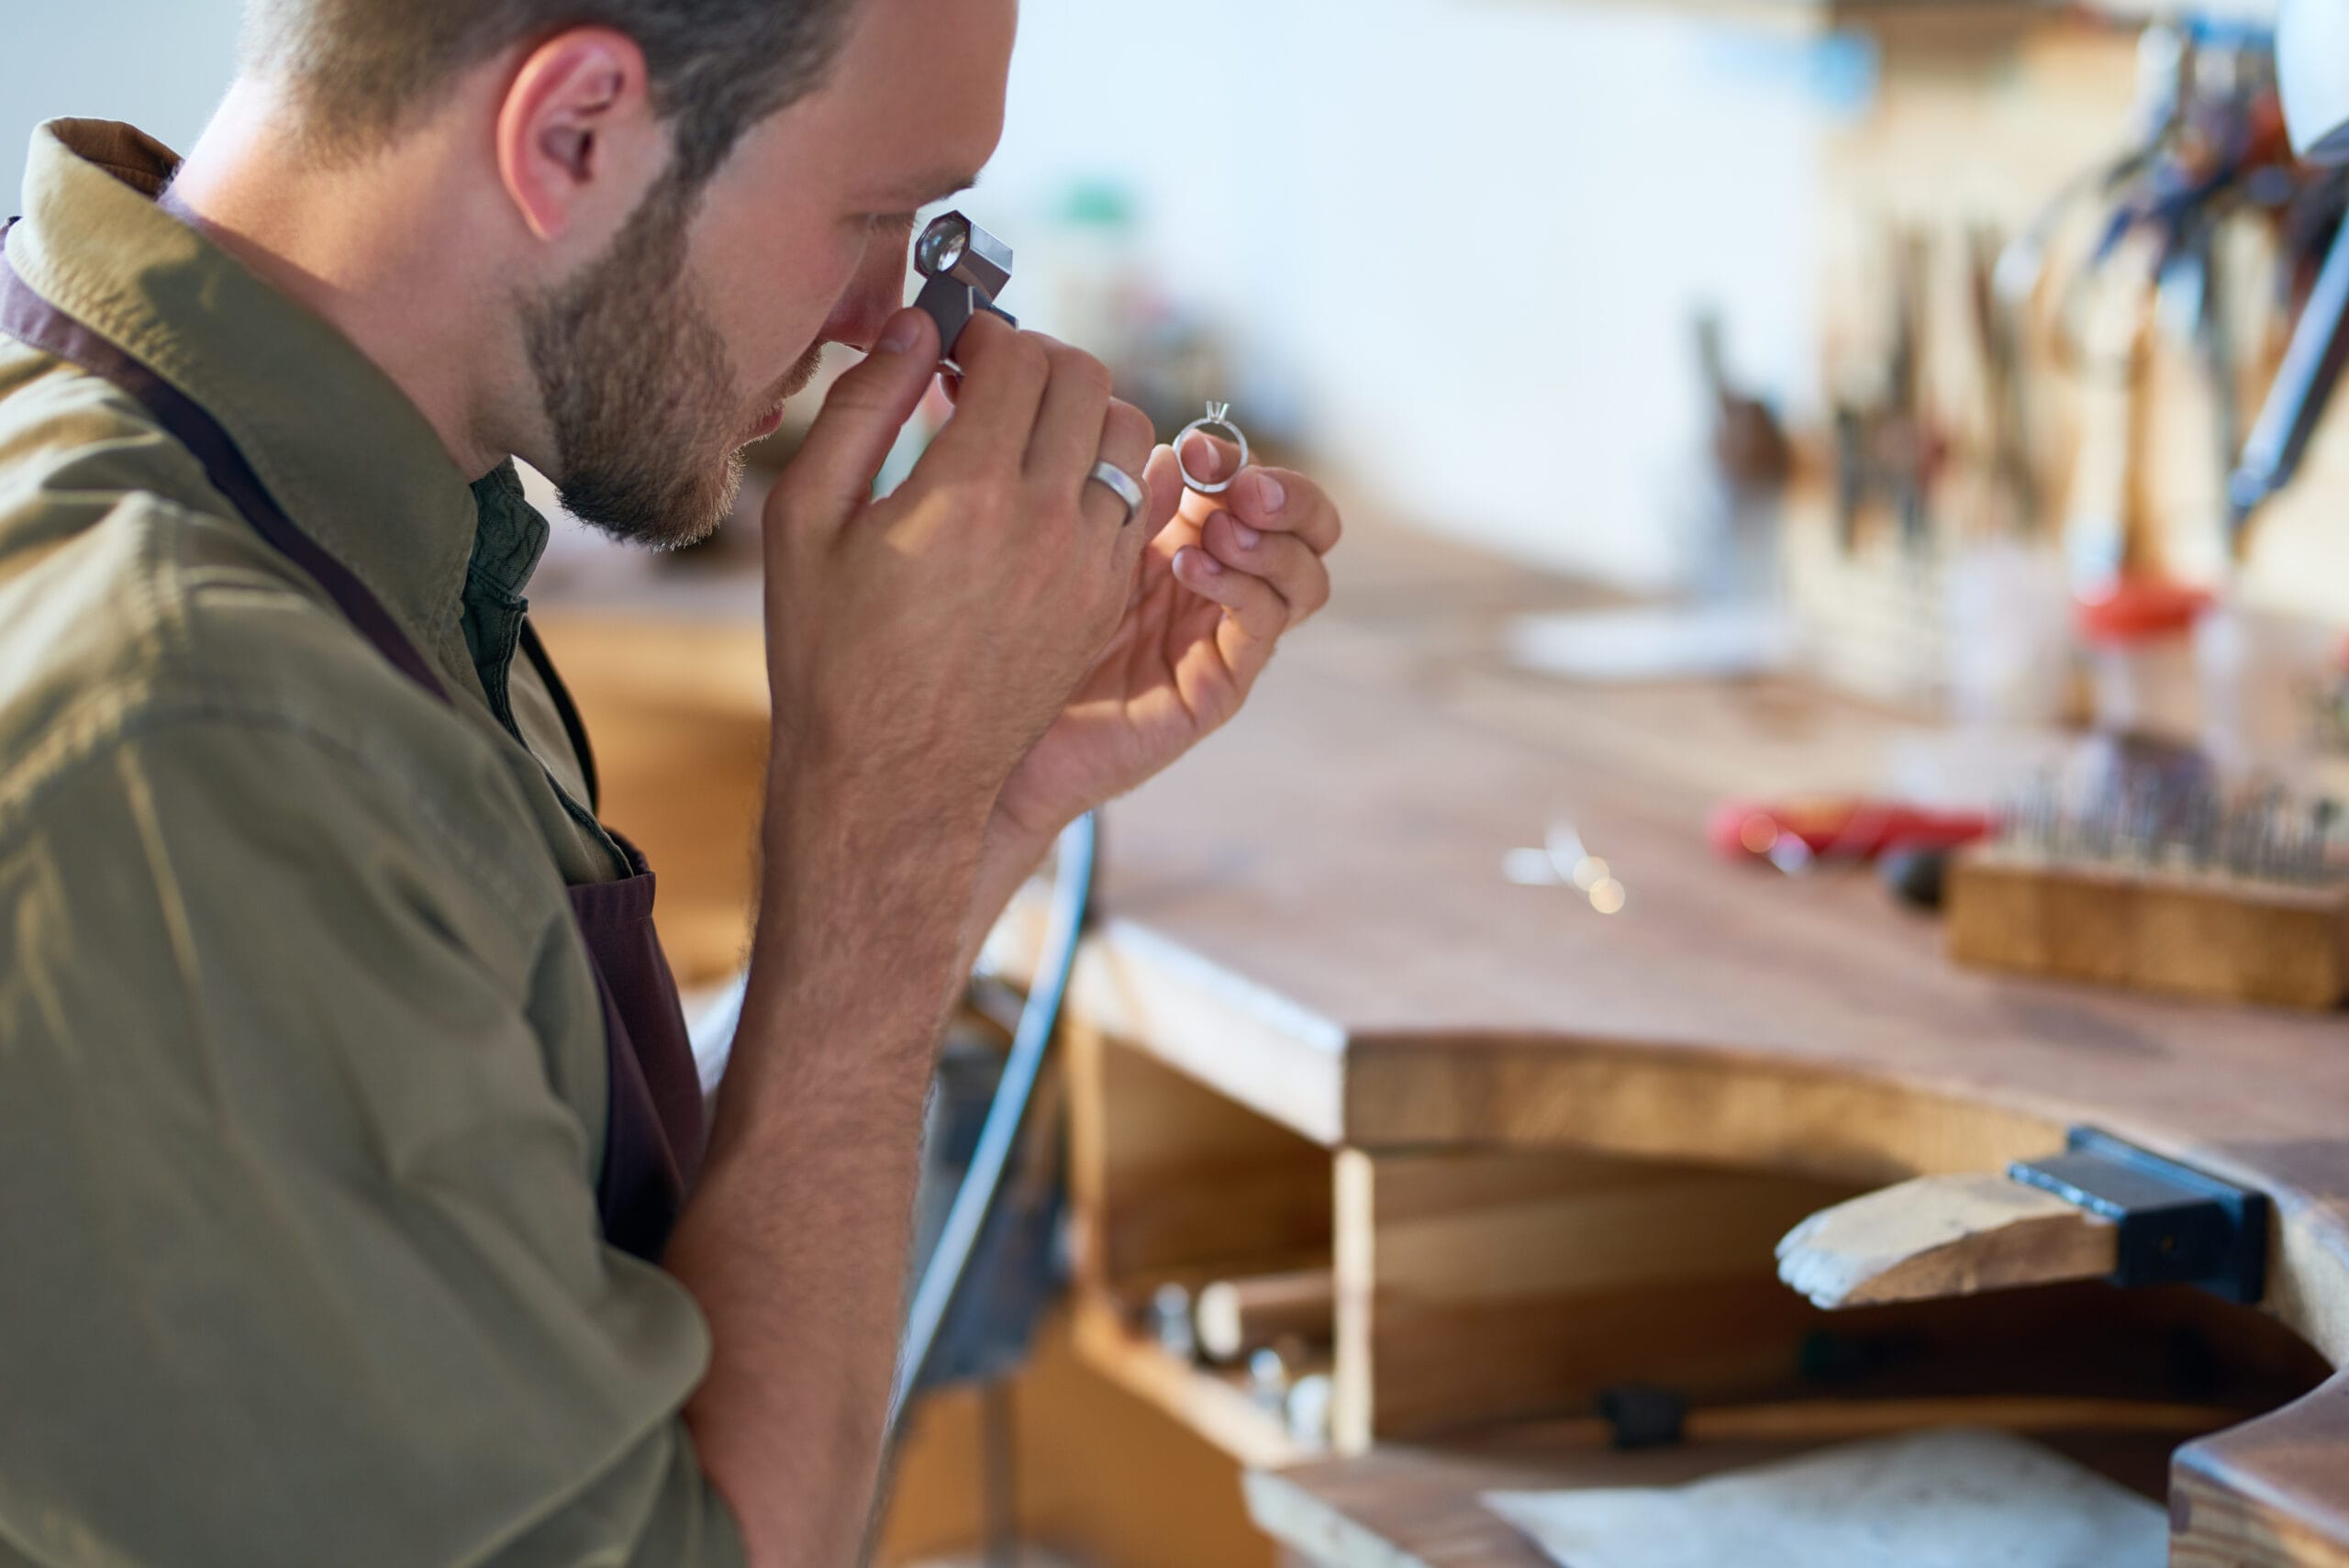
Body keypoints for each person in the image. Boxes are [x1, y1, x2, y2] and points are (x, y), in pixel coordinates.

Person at [0, 0, 1341, 1562]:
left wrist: (973, 798)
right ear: (572, 130)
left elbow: (519, 1231)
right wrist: (877, 837)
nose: (875, 313)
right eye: (870, 211)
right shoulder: (198, 748)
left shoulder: (342, 510)